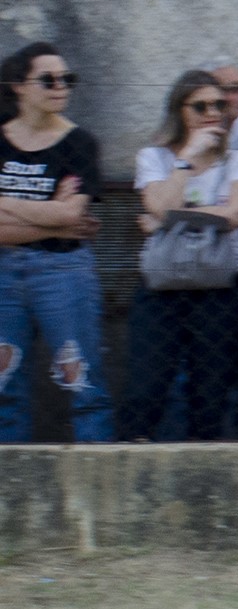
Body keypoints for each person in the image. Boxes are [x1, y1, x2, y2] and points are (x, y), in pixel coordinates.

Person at [121, 69, 238, 442]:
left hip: (217, 287)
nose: (213, 112)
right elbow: (162, 205)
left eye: (219, 104)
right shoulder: (154, 157)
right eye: (201, 106)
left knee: (210, 394)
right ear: (180, 110)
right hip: (161, 287)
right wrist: (188, 159)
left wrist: (167, 219)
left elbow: (235, 216)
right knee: (146, 388)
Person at [0, 40, 109, 443]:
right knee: (3, 386)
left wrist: (6, 204)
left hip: (63, 272)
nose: (60, 85)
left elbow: (71, 214)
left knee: (84, 383)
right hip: (3, 272)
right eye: (48, 79)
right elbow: (61, 218)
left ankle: (98, 492)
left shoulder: (80, 143)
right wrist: (54, 222)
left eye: (68, 78)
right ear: (19, 85)